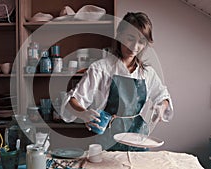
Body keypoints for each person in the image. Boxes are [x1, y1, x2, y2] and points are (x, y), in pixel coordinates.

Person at [60, 12, 174, 151]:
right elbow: (74, 100)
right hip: (107, 143)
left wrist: (161, 106)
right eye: (130, 38)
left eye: (141, 42)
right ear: (119, 35)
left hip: (138, 142)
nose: (135, 47)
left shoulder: (147, 73)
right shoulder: (100, 68)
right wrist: (83, 113)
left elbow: (163, 95)